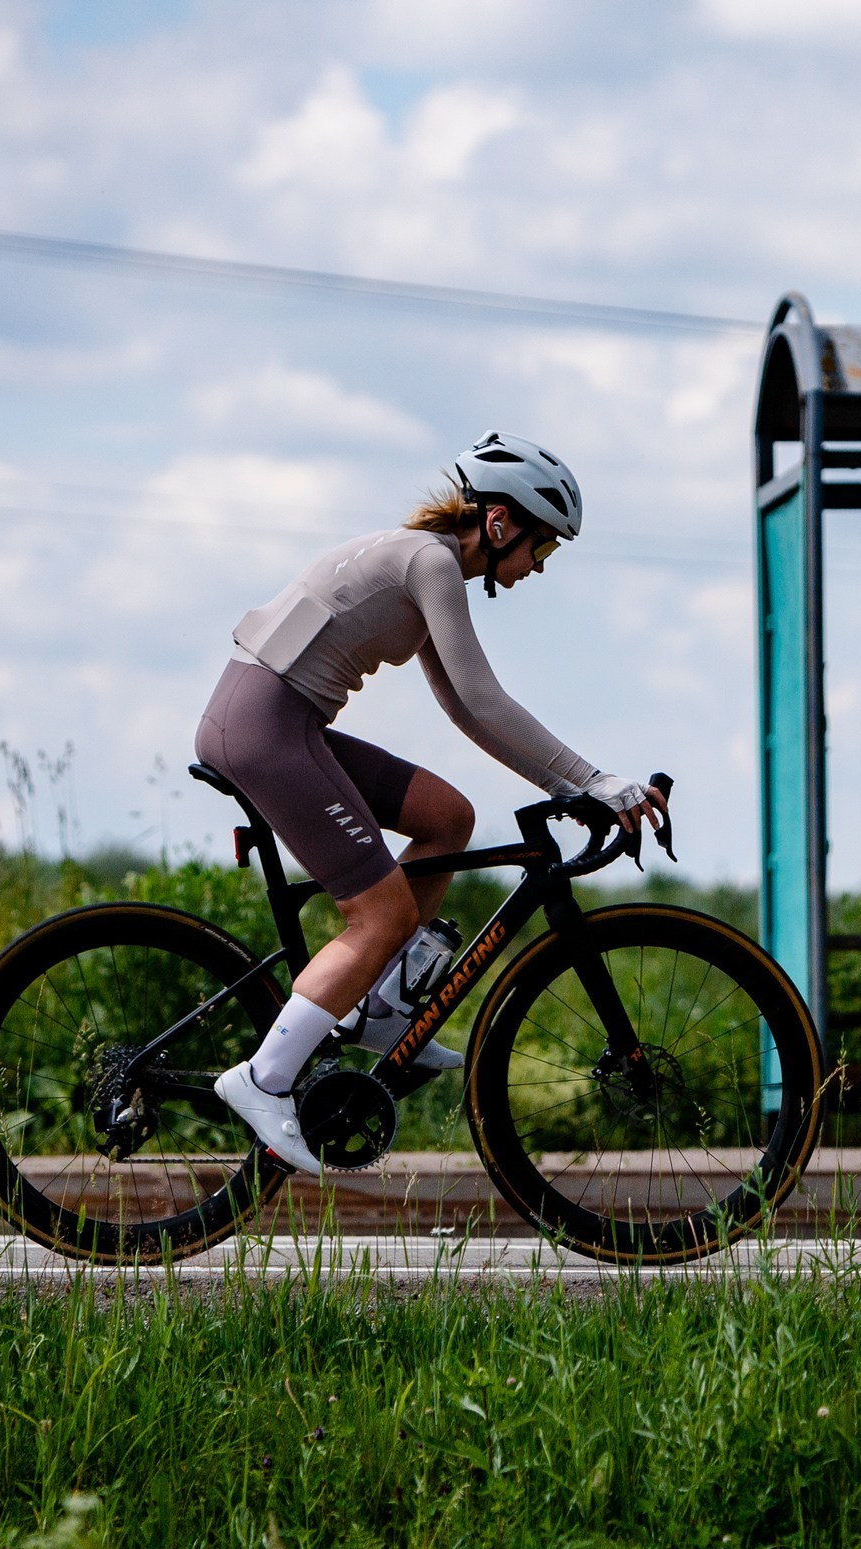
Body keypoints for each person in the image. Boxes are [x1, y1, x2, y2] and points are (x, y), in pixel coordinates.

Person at [196, 432, 665, 1176]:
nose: (537, 568)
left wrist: (568, 783)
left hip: (277, 718)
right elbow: (484, 697)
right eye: (540, 549)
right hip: (264, 726)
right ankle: (263, 1079)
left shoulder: (422, 564)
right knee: (380, 913)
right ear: (501, 522)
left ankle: (379, 1008)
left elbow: (464, 709)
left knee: (447, 817)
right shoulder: (432, 562)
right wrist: (595, 779)